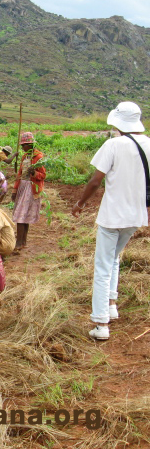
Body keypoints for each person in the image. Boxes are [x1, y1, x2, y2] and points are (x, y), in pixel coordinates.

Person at [72, 101, 150, 341]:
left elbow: (95, 181)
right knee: (114, 258)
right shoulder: (148, 144)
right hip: (136, 216)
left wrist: (80, 203)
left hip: (112, 216)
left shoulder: (113, 144)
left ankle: (100, 322)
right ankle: (112, 304)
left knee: (103, 266)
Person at [12, 132, 46, 250]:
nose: (22, 148)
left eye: (24, 145)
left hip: (31, 188)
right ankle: (22, 242)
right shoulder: (25, 157)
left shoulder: (38, 158)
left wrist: (34, 173)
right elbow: (20, 174)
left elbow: (43, 175)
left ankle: (19, 242)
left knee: (21, 215)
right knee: (23, 216)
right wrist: (15, 189)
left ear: (30, 144)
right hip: (22, 187)